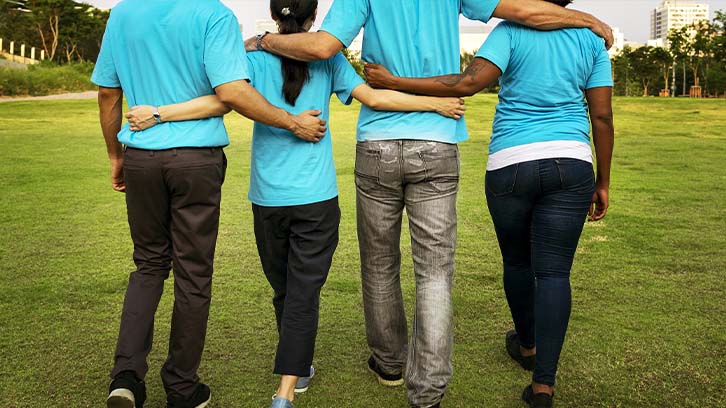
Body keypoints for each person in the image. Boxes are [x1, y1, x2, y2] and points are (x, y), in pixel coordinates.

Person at [246, 1, 614, 407]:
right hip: (437, 141)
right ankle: (428, 389)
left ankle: (389, 363)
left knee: (379, 263)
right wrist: (587, 18)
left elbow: (321, 48)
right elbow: (529, 13)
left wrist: (263, 39)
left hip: (377, 143)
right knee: (435, 272)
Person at [123, 1, 464, 407]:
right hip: (316, 198)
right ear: (313, 19)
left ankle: (295, 374)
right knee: (301, 293)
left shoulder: (251, 57)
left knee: (285, 289)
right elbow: (374, 98)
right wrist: (436, 103)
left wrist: (160, 111)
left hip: (267, 199)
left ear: (274, 14)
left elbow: (224, 97)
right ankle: (290, 380)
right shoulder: (331, 60)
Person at [364, 1, 614, 407]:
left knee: (517, 262)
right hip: (572, 161)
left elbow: (466, 83)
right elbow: (601, 116)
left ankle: (528, 345)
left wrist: (396, 80)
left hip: (511, 163)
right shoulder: (591, 40)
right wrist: (602, 180)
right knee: (553, 274)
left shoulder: (510, 32)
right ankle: (543, 385)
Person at [92, 1, 327, 407]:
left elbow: (109, 93)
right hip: (195, 160)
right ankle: (183, 388)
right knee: (192, 274)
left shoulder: (122, 13)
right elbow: (232, 92)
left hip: (141, 158)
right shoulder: (213, 15)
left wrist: (116, 155)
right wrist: (292, 122)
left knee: (148, 265)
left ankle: (126, 377)